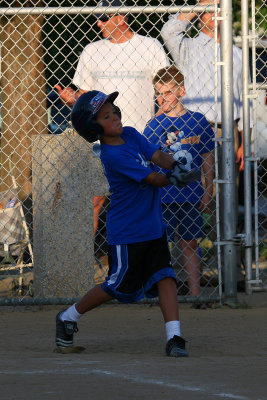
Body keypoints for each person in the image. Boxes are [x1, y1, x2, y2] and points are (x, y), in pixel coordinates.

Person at [55, 90, 200, 357]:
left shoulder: (132, 134)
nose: (115, 117)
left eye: (113, 111)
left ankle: (175, 337)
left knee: (165, 276)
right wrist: (175, 179)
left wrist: (176, 165)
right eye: (106, 116)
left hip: (153, 226)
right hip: (127, 231)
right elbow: (152, 179)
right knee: (117, 285)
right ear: (93, 128)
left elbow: (157, 156)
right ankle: (68, 316)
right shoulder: (112, 155)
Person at [144, 66, 215, 297]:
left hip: (190, 195)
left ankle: (195, 295)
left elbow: (207, 157)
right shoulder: (154, 126)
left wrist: (208, 189)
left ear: (181, 91)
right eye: (158, 93)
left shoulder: (198, 121)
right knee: (160, 246)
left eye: (167, 92)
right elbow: (147, 162)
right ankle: (162, 295)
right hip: (163, 195)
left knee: (190, 243)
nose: (161, 98)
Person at [161, 0, 252, 171]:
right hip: (193, 128)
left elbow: (245, 102)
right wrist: (204, 3)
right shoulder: (187, 48)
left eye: (218, 8)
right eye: (208, 10)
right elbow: (168, 32)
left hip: (227, 129)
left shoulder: (238, 54)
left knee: (227, 191)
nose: (214, 13)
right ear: (199, 16)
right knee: (197, 187)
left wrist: (246, 144)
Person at [56, 0, 169, 133]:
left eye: (103, 19)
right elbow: (86, 95)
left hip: (141, 135)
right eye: (97, 18)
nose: (98, 24)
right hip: (102, 139)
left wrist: (153, 129)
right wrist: (74, 99)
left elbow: (167, 92)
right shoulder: (91, 50)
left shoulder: (150, 46)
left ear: (121, 19)